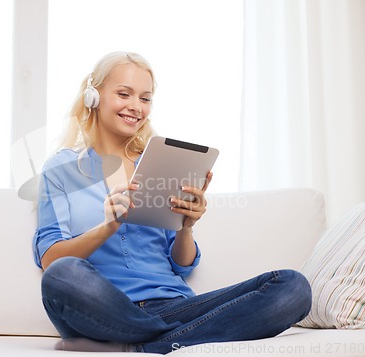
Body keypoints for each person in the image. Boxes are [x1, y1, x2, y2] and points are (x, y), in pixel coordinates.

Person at [32, 51, 312, 354]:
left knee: (292, 287)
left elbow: (180, 264)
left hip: (173, 306)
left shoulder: (159, 164)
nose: (135, 107)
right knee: (63, 276)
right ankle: (173, 340)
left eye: (145, 98)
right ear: (93, 96)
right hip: (103, 309)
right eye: (124, 94)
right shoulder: (62, 169)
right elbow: (51, 260)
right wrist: (108, 227)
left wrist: (185, 227)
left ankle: (139, 346)